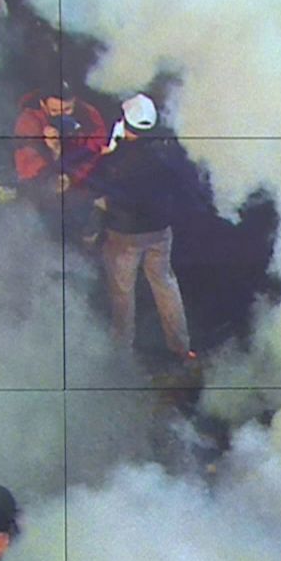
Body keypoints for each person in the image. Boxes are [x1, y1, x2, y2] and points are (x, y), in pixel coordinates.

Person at [91, 93, 199, 363]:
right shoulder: (166, 151)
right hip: (160, 232)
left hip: (124, 234)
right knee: (165, 284)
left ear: (125, 123)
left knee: (122, 291)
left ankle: (121, 349)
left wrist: (107, 155)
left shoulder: (116, 160)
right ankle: (181, 347)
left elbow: (100, 186)